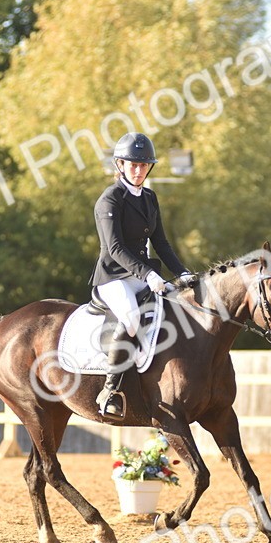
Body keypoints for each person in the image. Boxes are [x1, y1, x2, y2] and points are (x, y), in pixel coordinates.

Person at [89, 132, 197, 420]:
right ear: (120, 165)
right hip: (113, 277)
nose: (138, 170)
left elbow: (161, 242)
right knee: (133, 319)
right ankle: (110, 390)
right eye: (132, 165)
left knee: (178, 310)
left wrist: (182, 272)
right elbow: (114, 248)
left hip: (143, 273)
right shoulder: (109, 200)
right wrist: (148, 274)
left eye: (143, 165)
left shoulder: (149, 197)